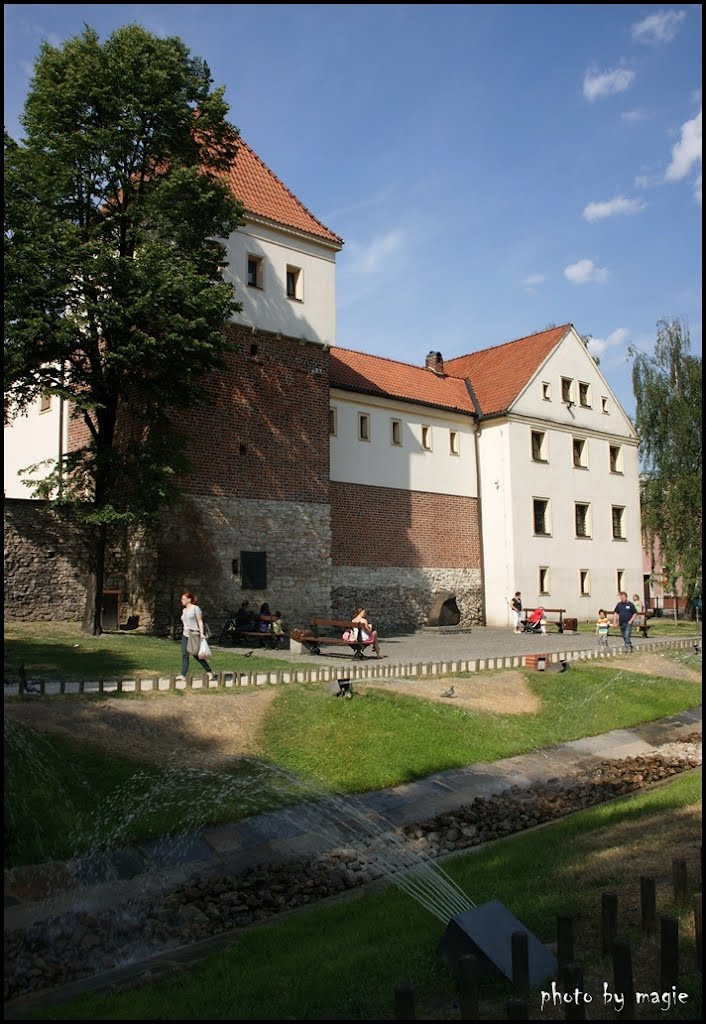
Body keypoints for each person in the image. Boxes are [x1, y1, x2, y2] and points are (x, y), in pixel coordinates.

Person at [178, 591, 215, 680]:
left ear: (189, 600)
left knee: (196, 654)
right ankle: (183, 674)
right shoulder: (184, 610)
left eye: (183, 599)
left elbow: (200, 621)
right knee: (184, 654)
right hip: (186, 634)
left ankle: (209, 671)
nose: (181, 600)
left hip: (194, 634)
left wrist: (202, 634)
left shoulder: (196, 608)